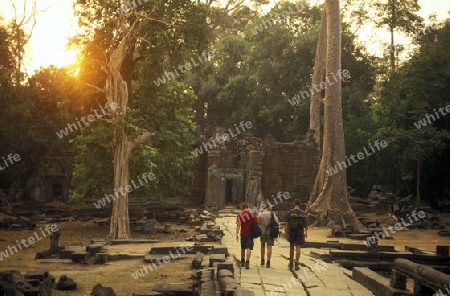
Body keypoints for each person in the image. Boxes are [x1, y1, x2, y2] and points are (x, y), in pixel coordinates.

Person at [285, 199, 307, 270]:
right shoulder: (303, 212)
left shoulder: (290, 212)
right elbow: (306, 224)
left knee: (291, 246)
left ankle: (291, 263)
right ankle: (297, 263)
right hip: (300, 231)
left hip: (292, 230)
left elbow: (287, 223)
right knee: (298, 247)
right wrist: (306, 232)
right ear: (299, 204)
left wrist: (286, 232)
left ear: (294, 204)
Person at [236, 202, 259, 269]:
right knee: (249, 248)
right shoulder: (252, 214)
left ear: (242, 208)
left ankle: (242, 261)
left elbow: (238, 225)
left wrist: (237, 234)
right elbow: (257, 221)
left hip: (243, 233)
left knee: (243, 248)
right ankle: (247, 261)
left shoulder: (240, 214)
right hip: (250, 233)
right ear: (248, 207)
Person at [258, 203, 279, 268]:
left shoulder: (261, 214)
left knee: (262, 246)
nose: (272, 208)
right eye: (271, 207)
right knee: (269, 247)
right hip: (270, 233)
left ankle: (262, 260)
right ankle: (268, 262)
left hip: (262, 232)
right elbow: (277, 222)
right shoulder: (272, 214)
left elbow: (258, 223)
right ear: (268, 207)